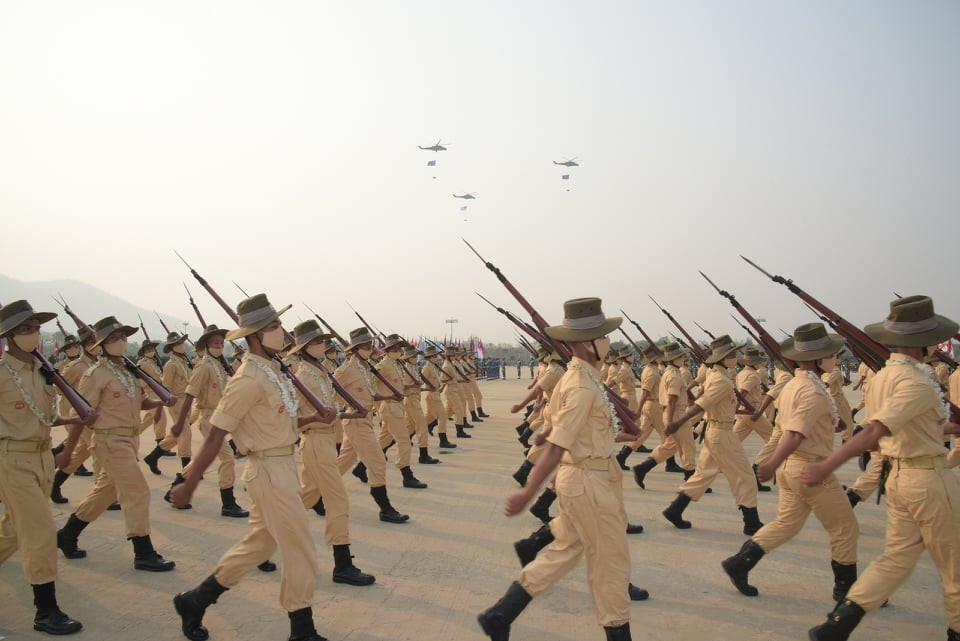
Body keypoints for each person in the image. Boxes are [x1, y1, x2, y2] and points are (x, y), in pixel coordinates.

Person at [170, 294, 332, 641]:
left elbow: (278, 424)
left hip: (283, 464)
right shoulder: (247, 379)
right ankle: (302, 630)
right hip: (269, 472)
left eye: (279, 324)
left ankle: (195, 600)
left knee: (259, 545)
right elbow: (216, 434)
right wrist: (190, 483)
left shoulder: (274, 371)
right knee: (299, 548)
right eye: (274, 326)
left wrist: (313, 417)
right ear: (256, 335)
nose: (281, 331)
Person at [803, 296, 960, 641]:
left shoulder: (883, 378)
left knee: (895, 560)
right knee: (955, 569)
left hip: (900, 479)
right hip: (929, 480)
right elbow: (875, 431)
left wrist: (948, 428)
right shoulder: (916, 382)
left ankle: (837, 625)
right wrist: (827, 466)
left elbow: (887, 433)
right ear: (925, 341)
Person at [478, 297, 634, 641]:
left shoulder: (583, 377)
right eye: (604, 336)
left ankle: (501, 615)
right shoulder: (580, 383)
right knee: (610, 565)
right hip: (588, 482)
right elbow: (558, 444)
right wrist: (528, 492)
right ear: (588, 343)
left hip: (590, 477)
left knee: (565, 550)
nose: (610, 341)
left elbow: (561, 426)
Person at [721, 323, 858, 603]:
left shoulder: (795, 384)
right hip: (810, 468)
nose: (837, 358)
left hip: (792, 468)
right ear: (819, 359)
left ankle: (740, 562)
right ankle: (847, 590)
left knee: (786, 524)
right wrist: (771, 464)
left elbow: (793, 425)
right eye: (832, 354)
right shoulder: (813, 391)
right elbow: (794, 433)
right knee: (845, 528)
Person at [56, 316, 176, 571]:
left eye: (122, 337)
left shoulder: (128, 371)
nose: (120, 342)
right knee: (137, 491)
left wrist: (160, 402)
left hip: (129, 439)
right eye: (113, 338)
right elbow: (82, 413)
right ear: (101, 344)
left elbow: (140, 402)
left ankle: (67, 534)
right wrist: (69, 449)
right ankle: (143, 551)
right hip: (109, 440)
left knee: (105, 493)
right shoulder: (95, 375)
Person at [0, 300, 85, 634]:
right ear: (8, 335)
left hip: (42, 457)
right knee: (39, 531)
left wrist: (75, 419)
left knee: (13, 531)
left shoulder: (42, 370)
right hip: (12, 459)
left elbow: (44, 417)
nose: (33, 335)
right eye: (25, 329)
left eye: (35, 328)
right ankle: (45, 611)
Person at [288, 321, 375, 586]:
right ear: (303, 348)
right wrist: (315, 417)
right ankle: (342, 565)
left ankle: (263, 541)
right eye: (315, 342)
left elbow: (329, 411)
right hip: (314, 442)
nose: (322, 345)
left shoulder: (321, 372)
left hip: (326, 440)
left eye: (322, 341)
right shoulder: (302, 376)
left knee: (303, 499)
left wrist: (348, 412)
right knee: (338, 502)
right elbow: (291, 419)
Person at [660, 335, 763, 535]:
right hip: (722, 433)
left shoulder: (717, 376)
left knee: (703, 474)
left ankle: (675, 509)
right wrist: (678, 423)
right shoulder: (721, 380)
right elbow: (702, 403)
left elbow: (713, 404)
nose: (735, 357)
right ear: (723, 359)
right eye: (732, 354)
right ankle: (751, 522)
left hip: (716, 430)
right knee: (745, 476)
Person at [160, 325, 248, 517]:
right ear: (206, 345)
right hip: (208, 418)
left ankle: (174, 489)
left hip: (220, 418)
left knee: (200, 461)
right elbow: (190, 395)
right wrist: (179, 423)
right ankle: (228, 503)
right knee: (227, 458)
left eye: (221, 342)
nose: (219, 345)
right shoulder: (204, 366)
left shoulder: (218, 365)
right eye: (215, 343)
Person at [334, 327, 410, 522]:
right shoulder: (345, 370)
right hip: (356, 421)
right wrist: (343, 413)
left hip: (366, 419)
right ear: (356, 348)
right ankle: (385, 508)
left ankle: (316, 493)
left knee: (343, 463)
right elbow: (329, 394)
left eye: (371, 344)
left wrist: (389, 395)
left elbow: (371, 393)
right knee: (377, 462)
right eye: (366, 345)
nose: (370, 348)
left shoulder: (365, 368)